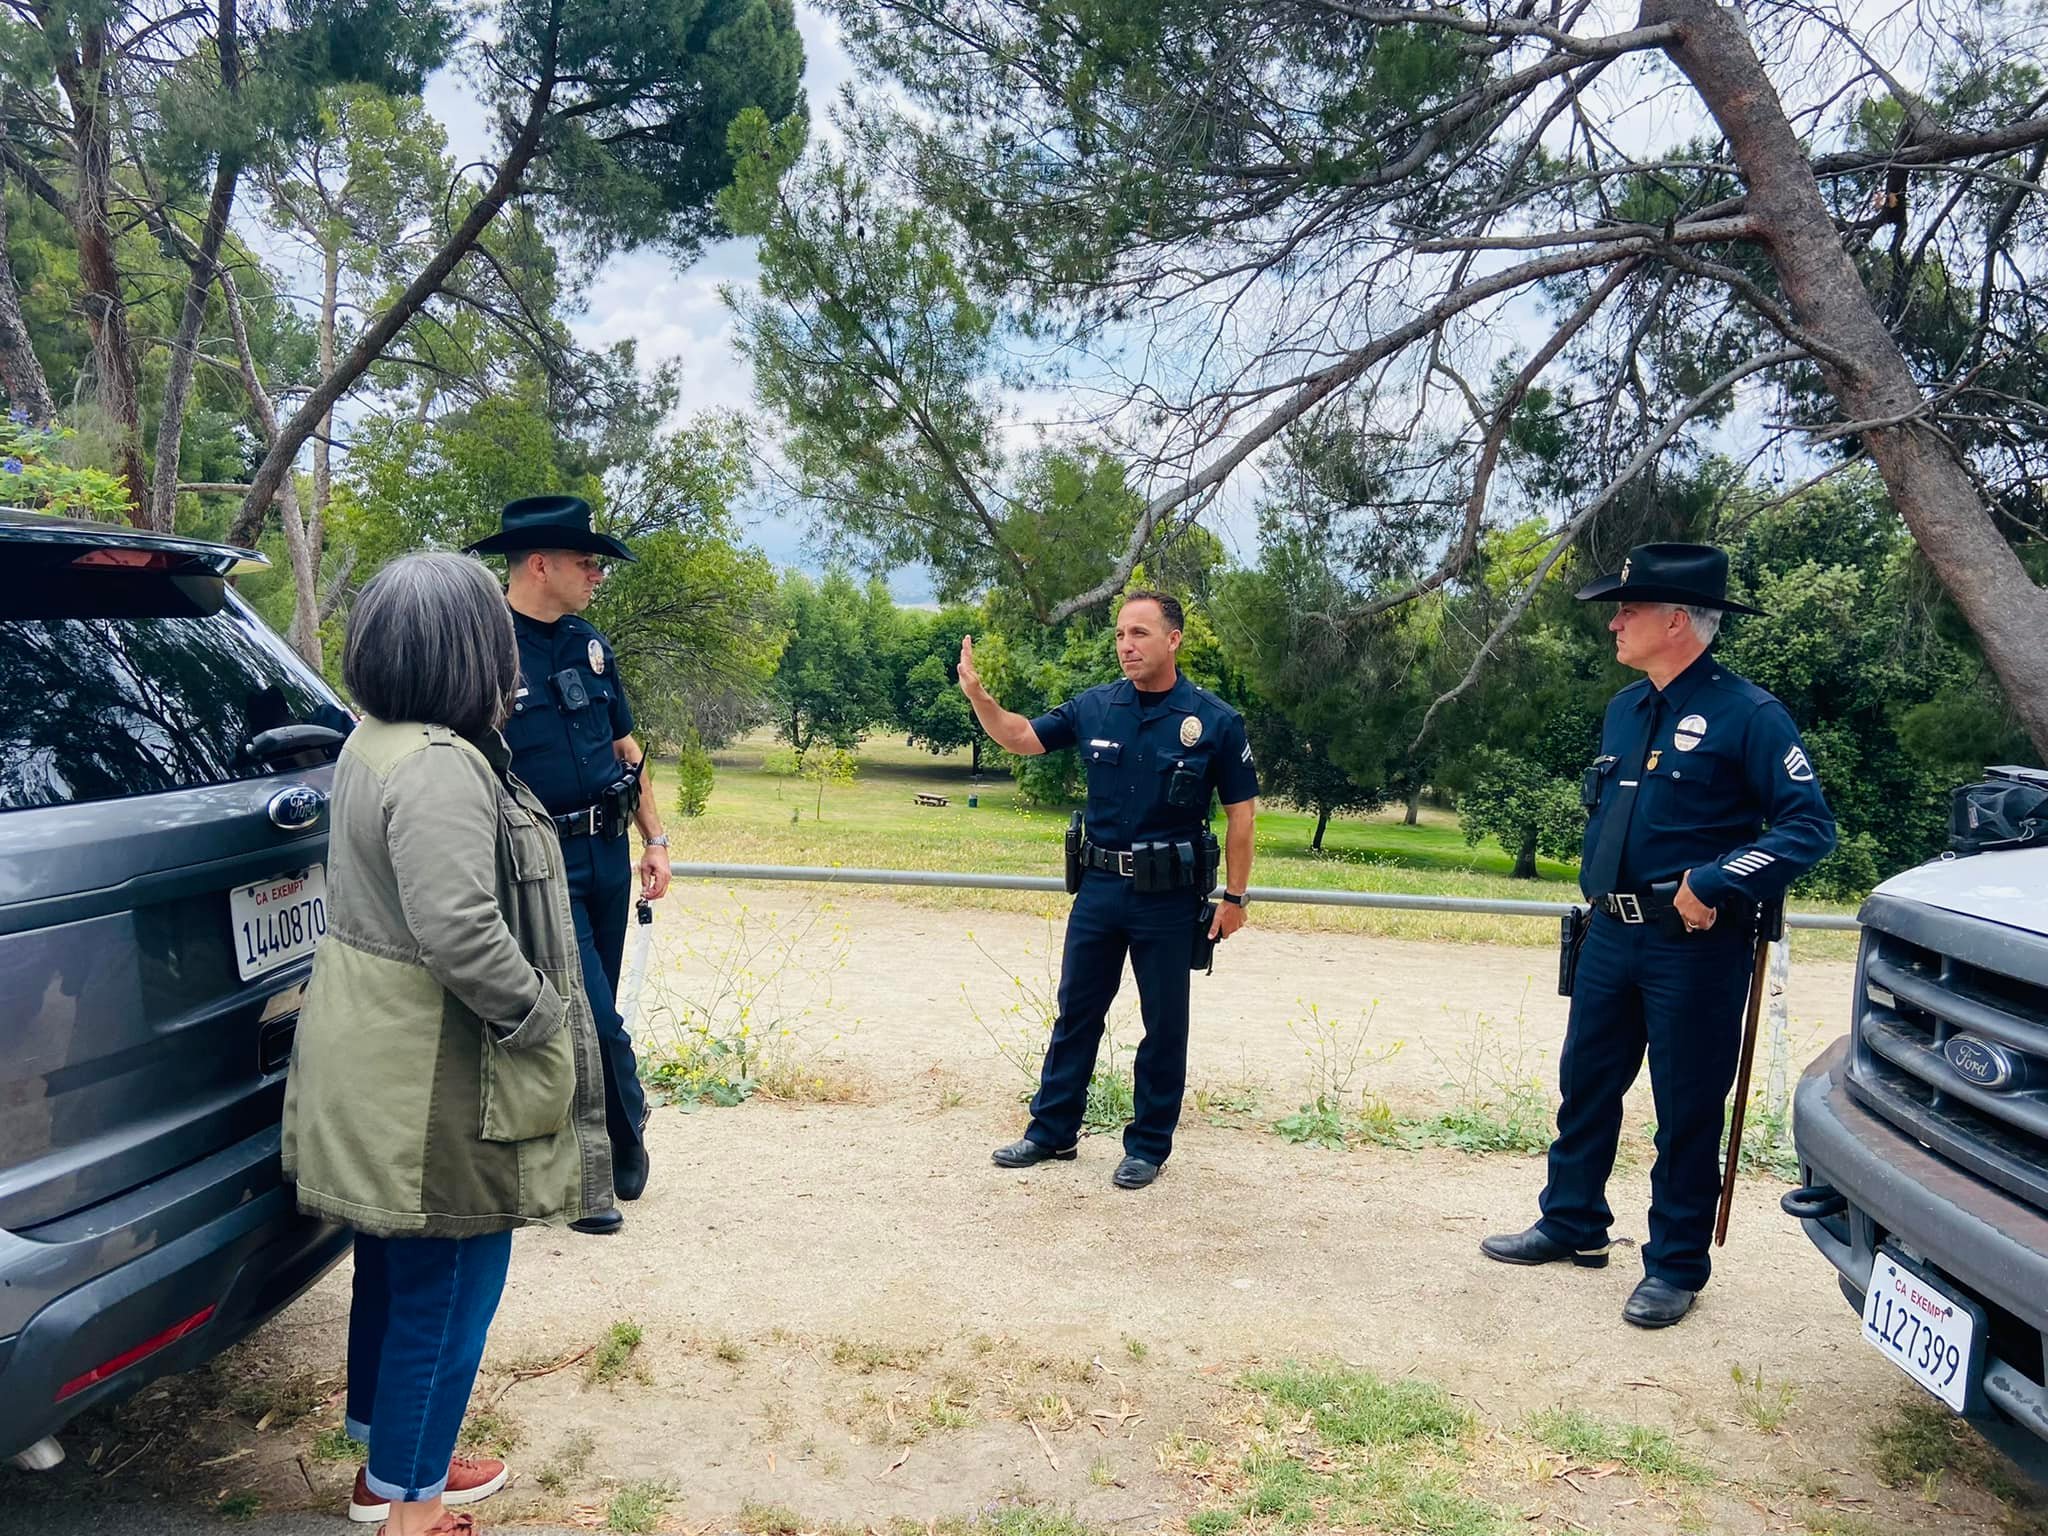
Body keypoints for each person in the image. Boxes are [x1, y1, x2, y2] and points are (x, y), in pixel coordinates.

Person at [282, 552, 613, 1536]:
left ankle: (388, 1465)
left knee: (395, 1262)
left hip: (375, 1050)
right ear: (465, 649)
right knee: (456, 1271)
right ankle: (413, 1510)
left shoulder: (375, 740)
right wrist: (540, 1016)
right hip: (429, 1067)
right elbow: (459, 928)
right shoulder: (437, 765)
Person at [1481, 542, 1835, 1328]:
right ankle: (1572, 1222)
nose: (1615, 622)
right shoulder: (1628, 707)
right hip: (1611, 933)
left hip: (1695, 948)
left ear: (1678, 621)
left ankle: (1675, 1265)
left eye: (1629, 609)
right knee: (1587, 1084)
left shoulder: (1750, 714)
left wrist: (1713, 880)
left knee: (1686, 1108)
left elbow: (1808, 830)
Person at [956, 589, 1260, 1189]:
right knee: (1077, 1013)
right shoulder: (1095, 707)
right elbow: (1020, 737)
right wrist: (980, 697)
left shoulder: (1214, 721)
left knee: (1164, 1023)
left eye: (1140, 634)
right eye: (1121, 634)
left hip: (1169, 898)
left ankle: (1148, 1146)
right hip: (1098, 889)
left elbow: (1242, 815)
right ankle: (1051, 1133)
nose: (1127, 645)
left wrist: (1235, 898)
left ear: (1173, 639)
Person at [463, 496, 671, 1233]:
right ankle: (601, 1165)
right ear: (540, 563)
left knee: (598, 1007)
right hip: (535, 859)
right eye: (588, 563)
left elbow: (626, 748)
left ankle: (612, 1124)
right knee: (591, 1020)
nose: (598, 576)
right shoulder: (481, 647)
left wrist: (655, 839)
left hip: (605, 853)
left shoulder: (589, 643)